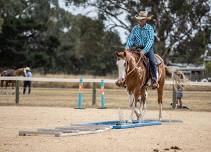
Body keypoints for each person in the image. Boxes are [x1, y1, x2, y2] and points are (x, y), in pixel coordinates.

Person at [125, 10, 158, 89]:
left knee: (152, 61)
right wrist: (127, 47)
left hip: (148, 48)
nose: (140, 20)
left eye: (142, 19)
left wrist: (144, 50)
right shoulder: (135, 29)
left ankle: (154, 79)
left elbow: (150, 41)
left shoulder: (150, 28)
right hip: (137, 48)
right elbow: (131, 39)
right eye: (140, 19)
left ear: (146, 20)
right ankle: (125, 79)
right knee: (128, 60)